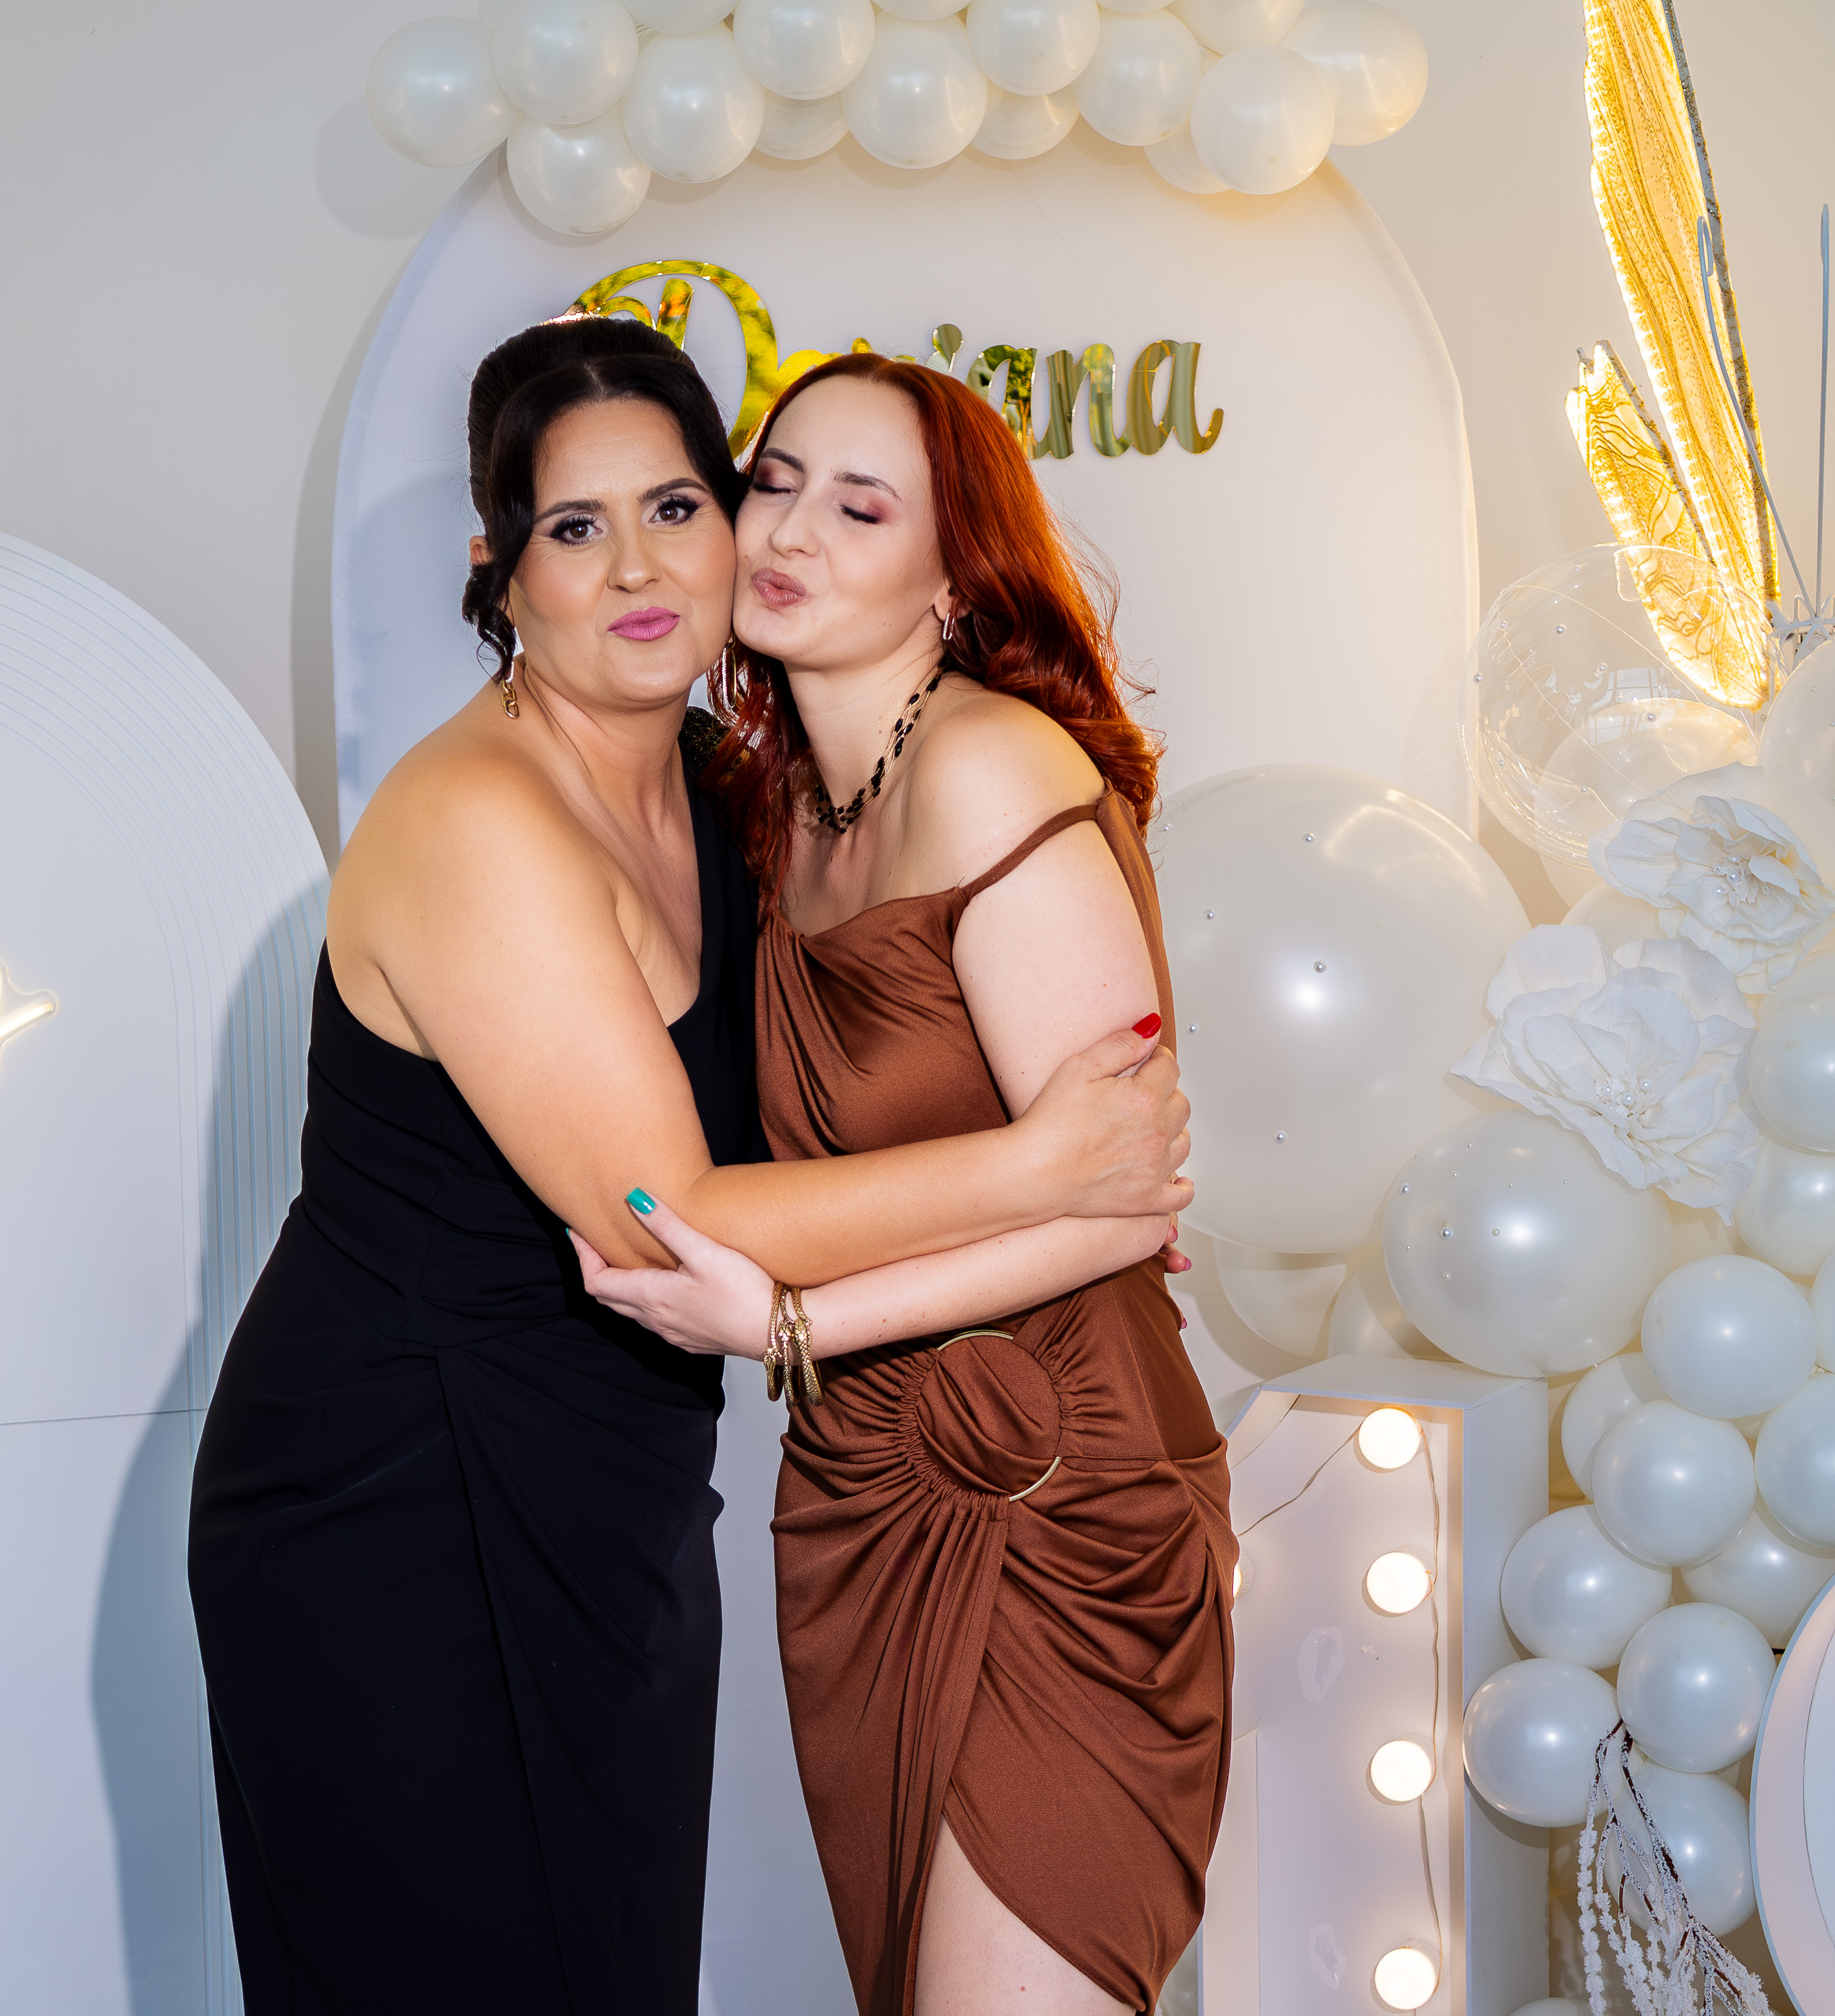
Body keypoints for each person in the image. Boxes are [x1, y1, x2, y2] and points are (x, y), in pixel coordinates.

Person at [187, 317, 1195, 2015]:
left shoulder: (740, 793)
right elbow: (678, 1216)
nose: (641, 568)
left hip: (619, 1483)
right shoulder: (477, 819)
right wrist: (1050, 1170)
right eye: (575, 528)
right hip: (389, 1495)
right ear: (499, 570)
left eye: (678, 507)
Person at [580, 354, 1235, 2016]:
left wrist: (789, 1324)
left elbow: (1126, 1203)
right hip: (860, 1502)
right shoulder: (772, 809)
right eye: (774, 482)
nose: (789, 531)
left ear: (954, 581)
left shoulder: (991, 768)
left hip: (1061, 1492)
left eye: (859, 507)